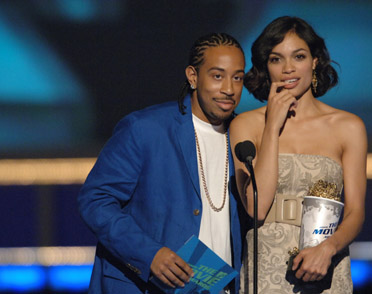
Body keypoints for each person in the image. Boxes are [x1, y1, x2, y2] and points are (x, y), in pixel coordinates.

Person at [78, 33, 246, 293]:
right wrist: (149, 255)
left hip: (217, 286)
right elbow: (96, 199)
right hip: (145, 286)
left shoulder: (244, 137)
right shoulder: (146, 129)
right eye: (217, 75)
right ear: (193, 76)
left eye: (237, 77)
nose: (229, 88)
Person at [230, 16, 367, 293]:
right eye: (276, 59)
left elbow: (355, 212)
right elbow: (256, 207)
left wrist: (327, 249)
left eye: (299, 56)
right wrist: (272, 126)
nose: (288, 68)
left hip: (324, 266)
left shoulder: (348, 127)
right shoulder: (246, 125)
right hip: (265, 270)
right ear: (265, 67)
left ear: (315, 60)